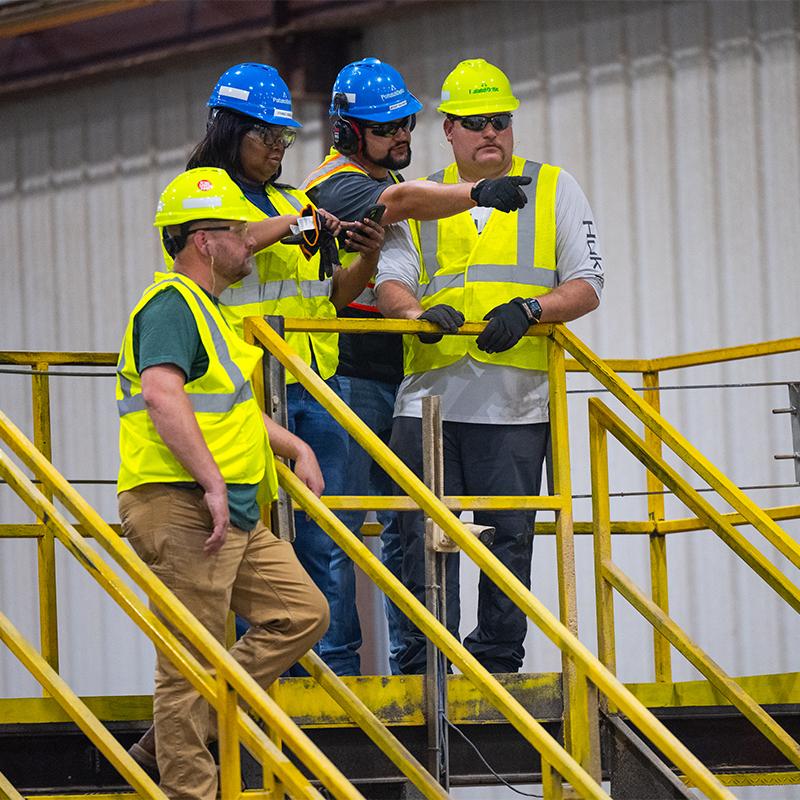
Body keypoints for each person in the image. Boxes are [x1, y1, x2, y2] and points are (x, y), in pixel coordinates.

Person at [301, 57, 534, 675]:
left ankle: (421, 663)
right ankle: (336, 668)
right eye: (385, 129)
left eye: (407, 124)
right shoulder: (336, 183)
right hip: (345, 377)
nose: (401, 137)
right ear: (349, 132)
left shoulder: (389, 182)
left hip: (401, 381)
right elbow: (400, 199)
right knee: (335, 530)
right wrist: (477, 191)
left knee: (409, 530)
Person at [375, 59, 604, 675]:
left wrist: (532, 309)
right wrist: (419, 313)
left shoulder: (554, 186)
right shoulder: (420, 196)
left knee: (511, 538)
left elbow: (586, 284)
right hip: (428, 402)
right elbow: (391, 281)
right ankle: (427, 659)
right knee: (419, 537)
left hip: (515, 400)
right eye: (475, 122)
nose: (491, 133)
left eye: (500, 121)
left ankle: (497, 659)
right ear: (448, 129)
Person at [117, 167, 329, 798]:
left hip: (229, 507)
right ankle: (191, 788)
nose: (250, 241)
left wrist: (295, 445)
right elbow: (161, 394)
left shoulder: (208, 313)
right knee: (189, 665)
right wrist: (210, 481)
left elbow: (232, 407)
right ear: (204, 241)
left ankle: (169, 738)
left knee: (301, 613)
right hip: (183, 506)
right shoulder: (170, 306)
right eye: (239, 229)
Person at [185, 62, 384, 672]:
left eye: (284, 138)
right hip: (241, 399)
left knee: (326, 540)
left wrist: (366, 261)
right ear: (229, 130)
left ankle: (339, 673)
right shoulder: (199, 197)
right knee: (252, 546)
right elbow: (235, 243)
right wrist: (299, 224)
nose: (277, 149)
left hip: (309, 387)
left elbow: (328, 294)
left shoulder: (294, 200)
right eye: (265, 136)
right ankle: (269, 679)